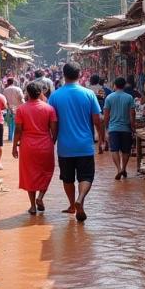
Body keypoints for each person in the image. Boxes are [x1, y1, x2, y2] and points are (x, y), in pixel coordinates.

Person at [47, 62, 104, 222]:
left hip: (65, 147)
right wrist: (102, 140)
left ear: (63, 75)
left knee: (68, 178)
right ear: (80, 74)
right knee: (86, 176)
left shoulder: (55, 96)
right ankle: (80, 199)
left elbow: (53, 123)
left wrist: (52, 141)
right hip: (85, 145)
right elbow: (97, 120)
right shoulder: (88, 94)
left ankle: (72, 205)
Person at [12, 82, 57, 215]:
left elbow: (18, 131)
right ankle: (40, 197)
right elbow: (54, 130)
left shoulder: (21, 109)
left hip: (27, 146)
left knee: (29, 174)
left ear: (27, 94)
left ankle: (32, 206)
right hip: (45, 145)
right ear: (40, 93)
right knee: (47, 172)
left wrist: (14, 146)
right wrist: (52, 142)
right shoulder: (49, 109)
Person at [103, 76, 136, 180]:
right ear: (124, 85)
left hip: (113, 129)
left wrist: (106, 129)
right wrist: (133, 128)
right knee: (126, 150)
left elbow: (106, 115)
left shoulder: (109, 98)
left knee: (114, 150)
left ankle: (118, 169)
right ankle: (124, 168)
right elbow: (132, 115)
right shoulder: (129, 97)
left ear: (114, 86)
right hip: (126, 129)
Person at [87, 74, 106, 153]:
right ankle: (100, 145)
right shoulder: (101, 88)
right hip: (99, 110)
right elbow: (102, 98)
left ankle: (91, 147)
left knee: (91, 129)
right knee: (100, 129)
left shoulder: (88, 89)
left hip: (89, 111)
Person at [3, 77, 24, 141]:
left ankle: (10, 139)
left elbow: (4, 102)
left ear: (8, 82)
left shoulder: (5, 90)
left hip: (9, 110)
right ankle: (16, 139)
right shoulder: (18, 89)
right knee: (17, 125)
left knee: (10, 125)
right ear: (13, 82)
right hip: (18, 110)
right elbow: (22, 99)